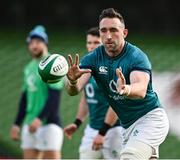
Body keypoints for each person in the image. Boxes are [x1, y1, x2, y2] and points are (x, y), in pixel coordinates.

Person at [65, 8, 169, 159]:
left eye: (113, 30)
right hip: (127, 126)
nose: (108, 36)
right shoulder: (93, 58)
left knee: (129, 156)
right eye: (104, 31)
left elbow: (141, 89)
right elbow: (73, 90)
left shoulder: (136, 56)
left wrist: (126, 89)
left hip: (150, 119)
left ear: (124, 33)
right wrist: (73, 81)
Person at [64, 27, 122, 159]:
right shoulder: (86, 68)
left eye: (95, 43)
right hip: (92, 129)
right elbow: (86, 98)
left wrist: (102, 133)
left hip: (113, 130)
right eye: (89, 43)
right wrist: (77, 122)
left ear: (103, 43)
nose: (91, 46)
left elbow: (117, 103)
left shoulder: (111, 68)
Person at [10, 25, 64, 159]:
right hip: (29, 124)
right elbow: (24, 98)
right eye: (31, 42)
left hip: (48, 124)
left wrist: (40, 119)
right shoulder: (28, 68)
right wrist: (17, 123)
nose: (34, 45)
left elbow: (54, 97)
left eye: (38, 42)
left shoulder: (53, 63)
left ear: (45, 43)